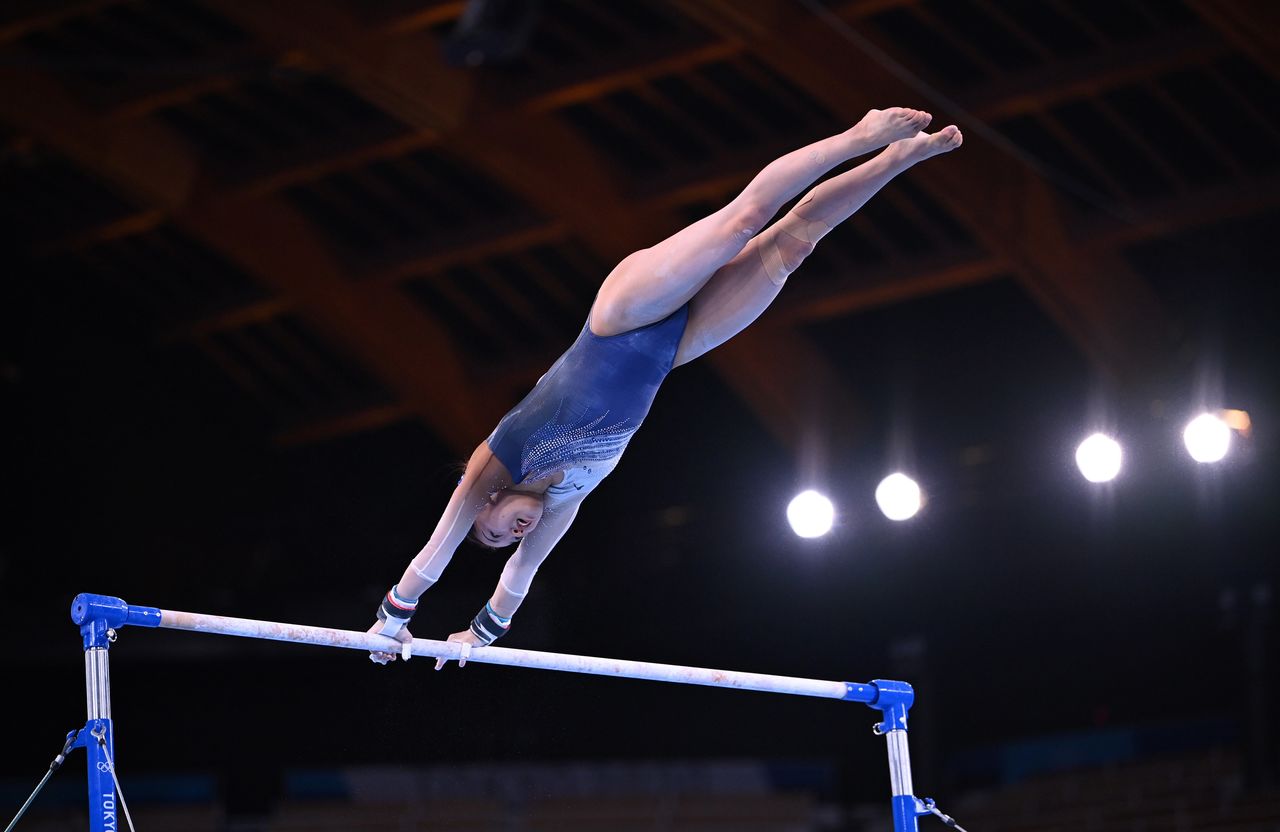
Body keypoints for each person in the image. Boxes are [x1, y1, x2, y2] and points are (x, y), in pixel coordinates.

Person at [368, 108, 962, 667]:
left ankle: (860, 136)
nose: (508, 534)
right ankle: (895, 161)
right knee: (793, 243)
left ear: (489, 504)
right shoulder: (563, 506)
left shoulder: (495, 464)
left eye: (493, 529)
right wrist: (477, 637)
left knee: (743, 221)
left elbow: (435, 552)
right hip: (670, 352)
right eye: (506, 540)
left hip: (619, 318)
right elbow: (517, 582)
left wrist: (391, 622)